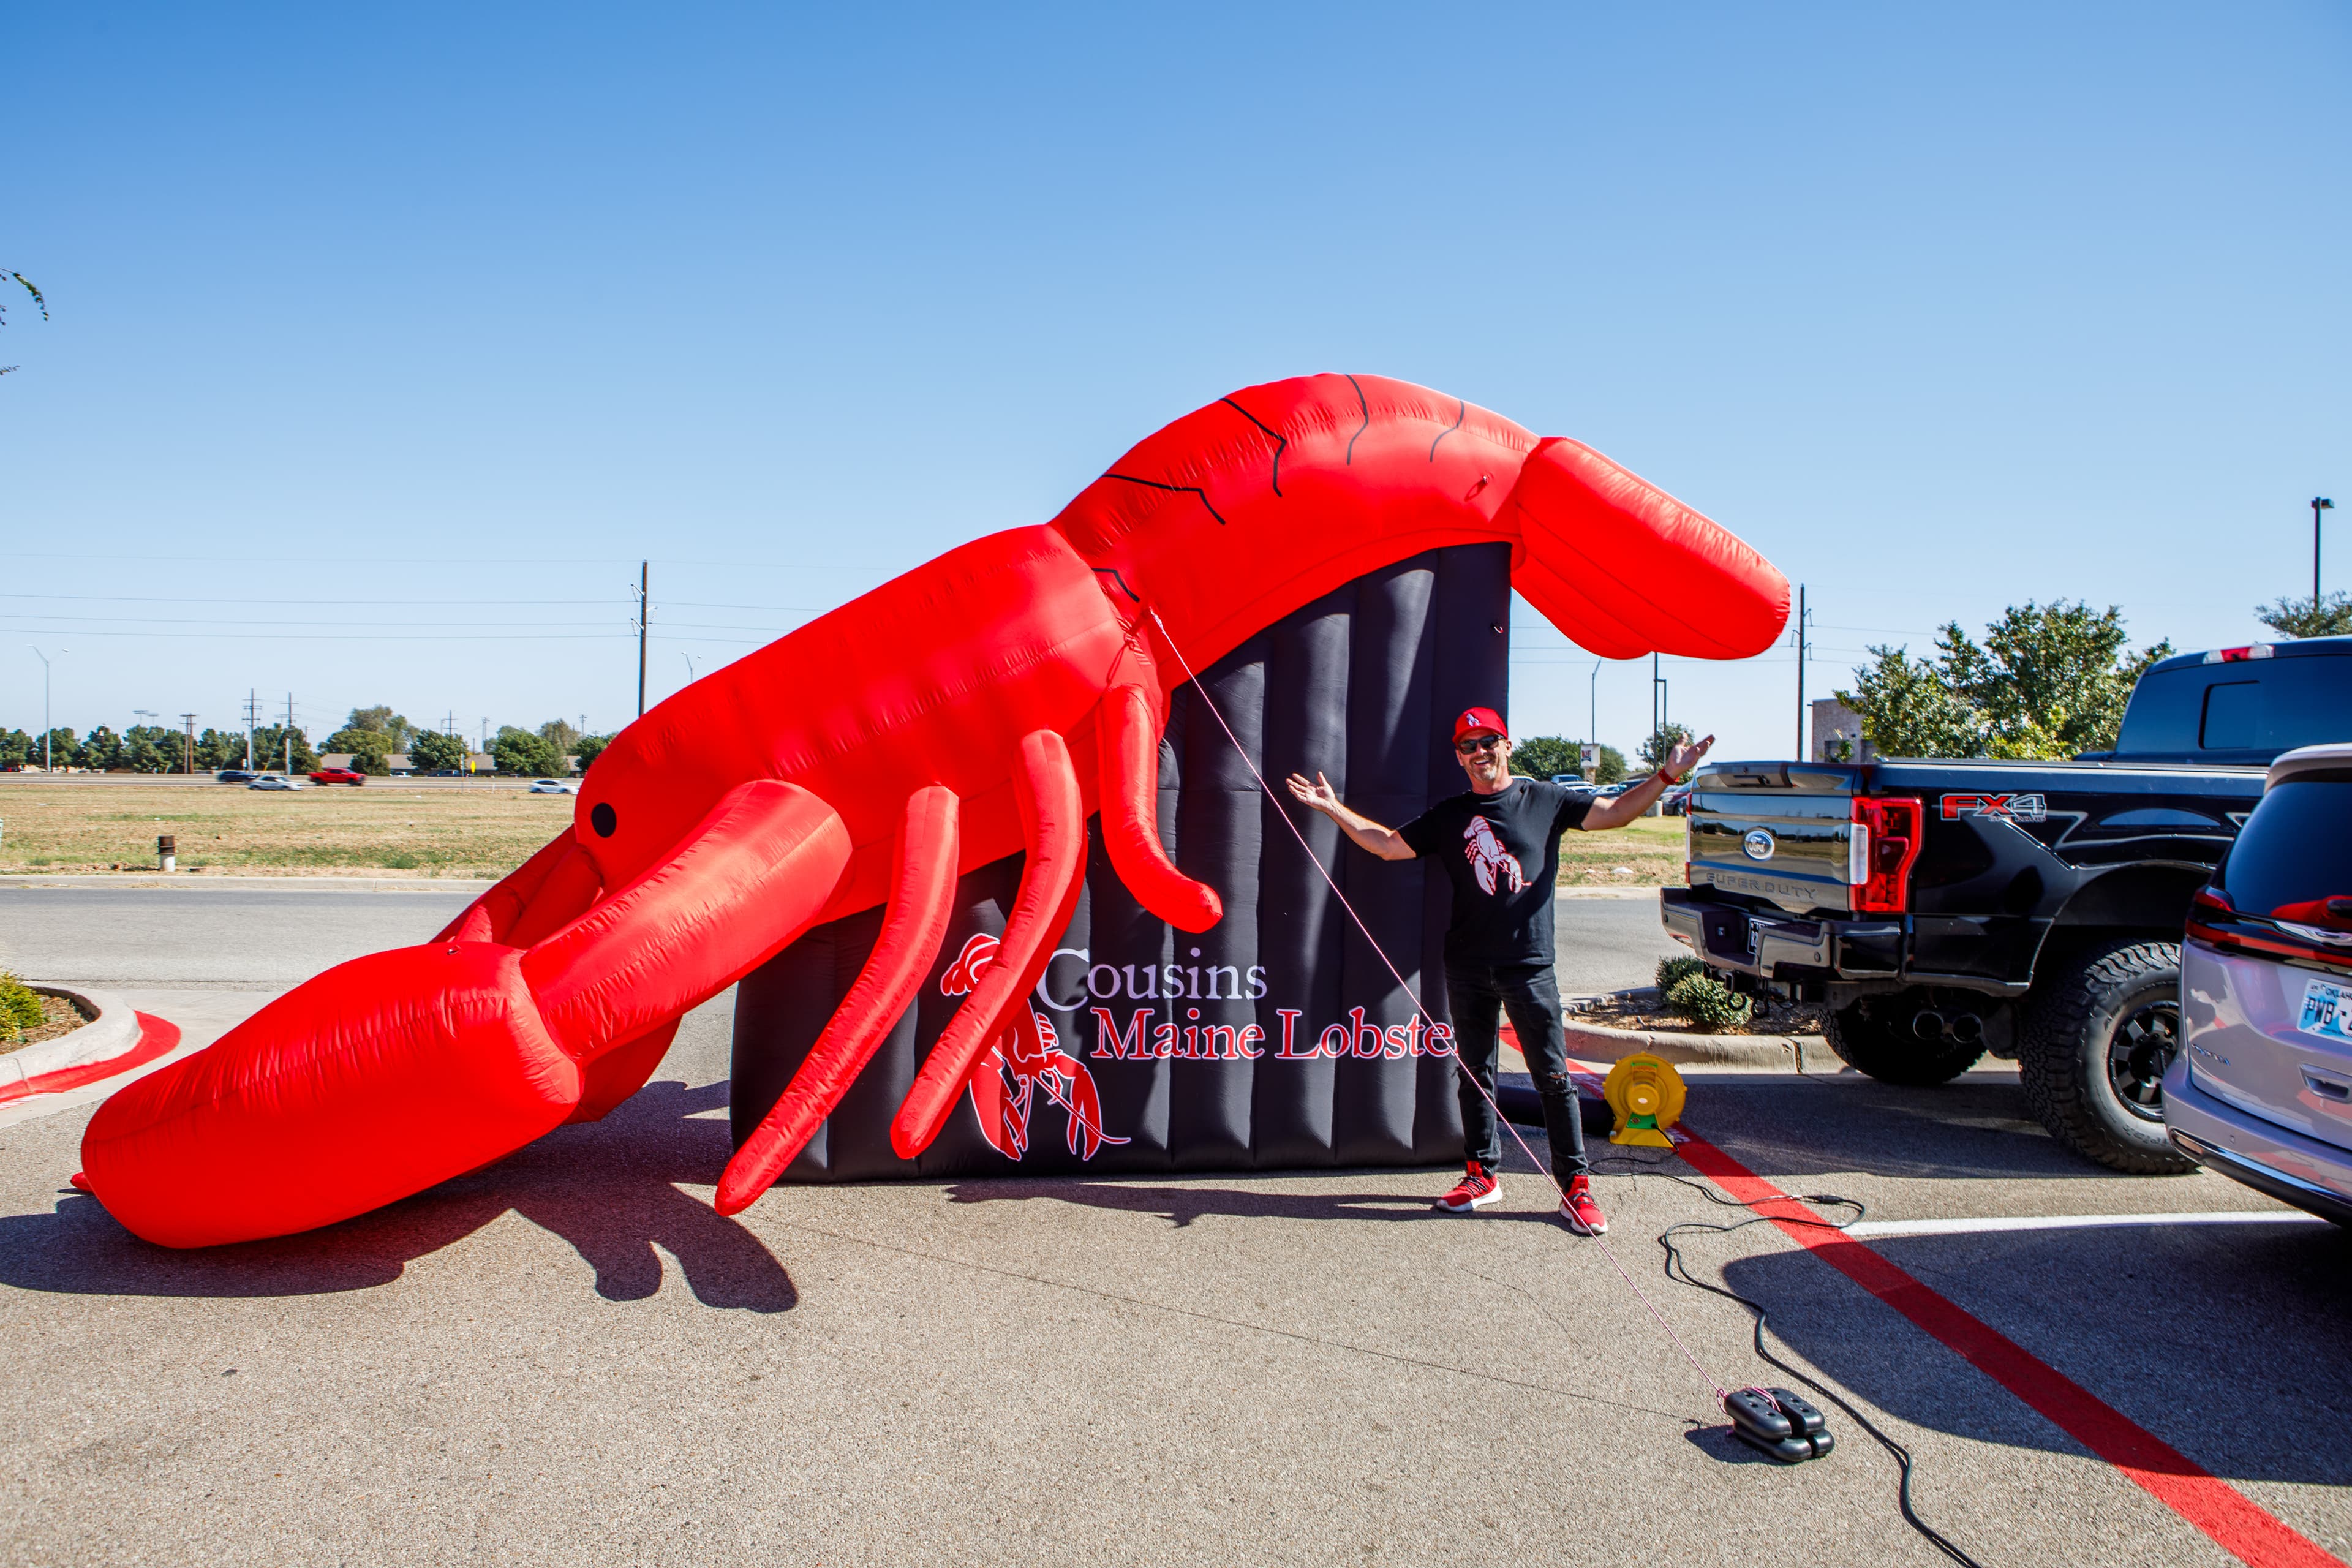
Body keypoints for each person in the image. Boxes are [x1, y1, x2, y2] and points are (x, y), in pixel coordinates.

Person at [1285, 706, 1712, 1235]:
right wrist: (1333, 809)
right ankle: (1483, 1175)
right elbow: (1390, 846)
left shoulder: (1546, 800)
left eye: (1489, 741)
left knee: (1553, 1079)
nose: (1479, 752)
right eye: (1468, 745)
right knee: (1475, 1075)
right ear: (1458, 757)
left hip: (1529, 967)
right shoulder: (1452, 814)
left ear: (1506, 746)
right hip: (1467, 966)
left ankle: (1575, 1188)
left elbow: (1618, 812)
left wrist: (1668, 775)